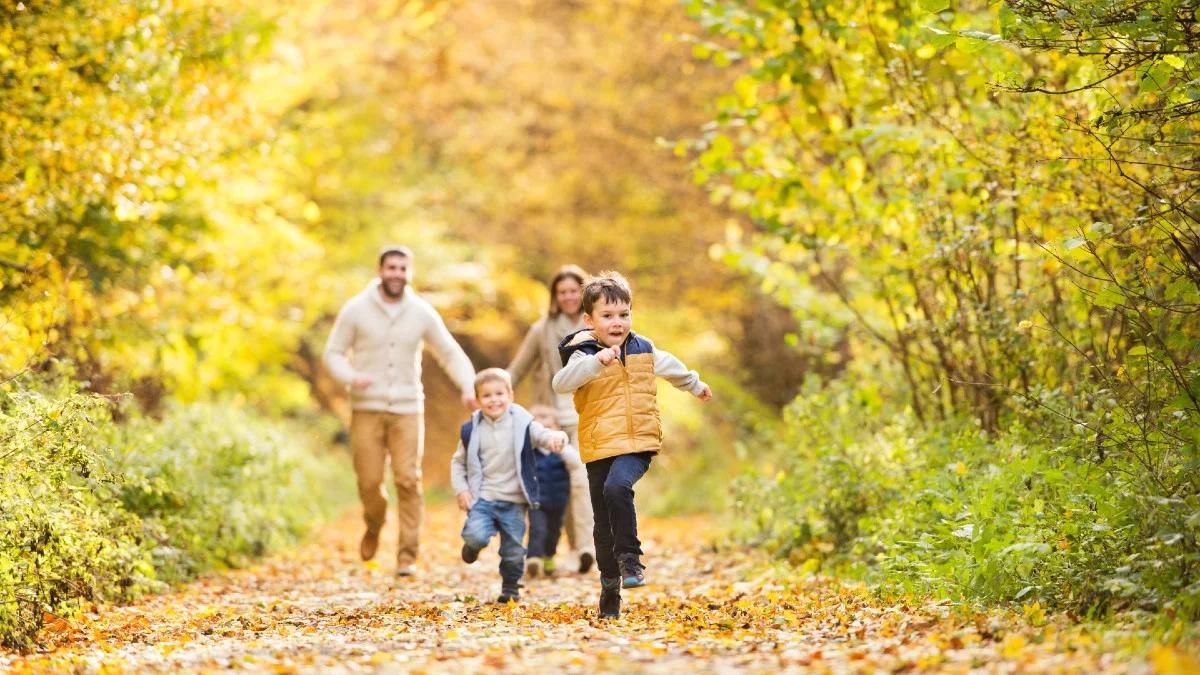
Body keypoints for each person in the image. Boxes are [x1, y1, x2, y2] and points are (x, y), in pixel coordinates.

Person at [552, 271, 713, 619]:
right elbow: (561, 383)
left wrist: (695, 385)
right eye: (607, 316)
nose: (617, 322)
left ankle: (631, 561)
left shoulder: (643, 348)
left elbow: (671, 367)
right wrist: (596, 362)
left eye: (624, 314)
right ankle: (610, 586)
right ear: (589, 320)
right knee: (601, 523)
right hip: (599, 446)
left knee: (617, 487)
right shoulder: (583, 353)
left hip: (638, 441)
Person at [324, 245, 478, 577]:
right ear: (380, 271)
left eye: (403, 268)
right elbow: (333, 353)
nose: (397, 273)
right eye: (391, 267)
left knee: (408, 479)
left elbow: (449, 352)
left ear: (410, 273)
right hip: (366, 408)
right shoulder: (356, 309)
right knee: (369, 481)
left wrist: (468, 386)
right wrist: (352, 377)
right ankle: (374, 522)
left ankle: (407, 556)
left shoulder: (421, 312)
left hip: (409, 408)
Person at [450, 369, 568, 603]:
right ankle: (473, 546)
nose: (494, 400)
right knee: (475, 535)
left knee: (513, 551)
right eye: (487, 396)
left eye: (499, 394)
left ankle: (511, 587)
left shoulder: (522, 423)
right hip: (484, 498)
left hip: (514, 501)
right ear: (477, 401)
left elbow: (542, 434)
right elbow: (458, 462)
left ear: (510, 395)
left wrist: (557, 438)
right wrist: (462, 490)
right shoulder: (471, 430)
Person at [507, 265, 596, 573]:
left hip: (586, 415)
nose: (569, 297)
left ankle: (586, 547)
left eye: (574, 291)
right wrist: (493, 392)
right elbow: (516, 369)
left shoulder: (597, 327)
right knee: (548, 487)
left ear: (583, 293)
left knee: (582, 482)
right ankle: (546, 550)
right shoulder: (542, 329)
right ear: (555, 297)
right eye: (562, 292)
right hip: (549, 419)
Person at [525, 404, 584, 579]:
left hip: (559, 501)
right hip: (536, 501)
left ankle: (549, 556)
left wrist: (561, 447)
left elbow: (576, 464)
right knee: (538, 529)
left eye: (548, 428)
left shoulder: (564, 452)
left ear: (557, 429)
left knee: (554, 532)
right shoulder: (529, 452)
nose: (545, 436)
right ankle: (533, 558)